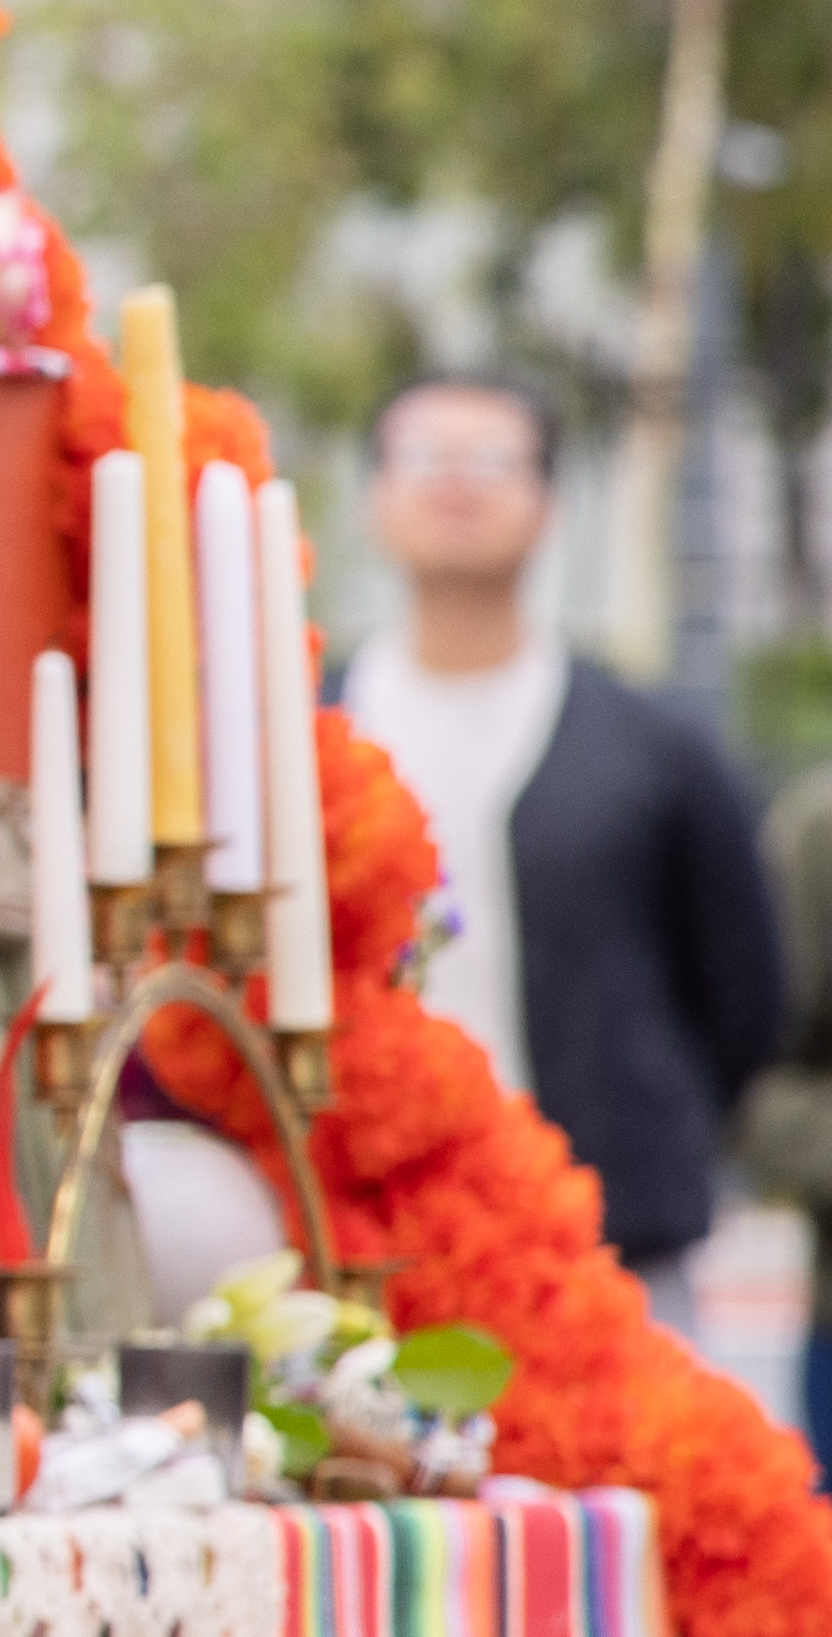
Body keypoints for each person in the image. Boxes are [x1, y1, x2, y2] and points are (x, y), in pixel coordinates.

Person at [334, 370, 793, 1323]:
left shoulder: (650, 747)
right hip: (355, 1227)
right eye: (425, 458)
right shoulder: (310, 731)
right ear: (375, 497)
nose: (457, 484)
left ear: (551, 505)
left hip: (607, 1236)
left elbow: (741, 988)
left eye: (494, 462)